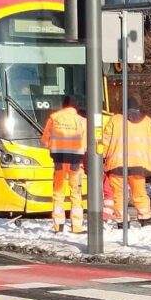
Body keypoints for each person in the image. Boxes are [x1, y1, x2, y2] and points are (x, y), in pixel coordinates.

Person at [100, 97, 151, 226]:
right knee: (140, 193)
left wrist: (102, 158)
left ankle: (123, 222)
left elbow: (105, 142)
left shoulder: (115, 120)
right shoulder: (148, 122)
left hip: (117, 164)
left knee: (118, 195)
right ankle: (145, 219)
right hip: (140, 164)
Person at [41, 96, 88, 234]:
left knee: (58, 192)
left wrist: (51, 147)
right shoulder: (82, 121)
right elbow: (85, 143)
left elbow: (44, 141)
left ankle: (58, 225)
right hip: (75, 162)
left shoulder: (54, 118)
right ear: (75, 106)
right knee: (76, 193)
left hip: (59, 161)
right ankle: (77, 226)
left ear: (64, 105)